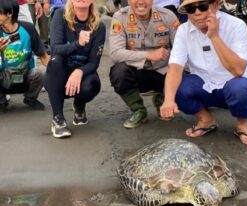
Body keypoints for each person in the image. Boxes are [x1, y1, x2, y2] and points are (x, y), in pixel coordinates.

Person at [160, 0, 247, 145]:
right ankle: (205, 119)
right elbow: (175, 67)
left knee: (242, 88)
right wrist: (168, 100)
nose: (197, 12)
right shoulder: (183, 30)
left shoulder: (236, 25)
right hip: (204, 85)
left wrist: (214, 36)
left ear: (216, 5)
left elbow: (238, 70)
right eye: (190, 9)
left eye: (203, 6)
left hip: (233, 84)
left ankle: (242, 124)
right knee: (172, 90)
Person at [109, 0, 179, 128]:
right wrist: (148, 55)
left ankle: (162, 98)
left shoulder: (168, 15)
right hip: (138, 72)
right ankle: (138, 110)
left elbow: (181, 49)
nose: (140, 2)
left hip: (165, 72)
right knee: (118, 72)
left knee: (182, 71)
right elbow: (115, 53)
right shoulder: (120, 17)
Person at [44, 0, 106, 138]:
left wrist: (79, 71)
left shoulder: (99, 26)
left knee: (92, 85)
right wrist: (77, 43)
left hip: (81, 74)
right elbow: (55, 49)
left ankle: (79, 104)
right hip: (59, 75)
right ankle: (58, 118)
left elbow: (94, 62)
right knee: (56, 61)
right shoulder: (60, 16)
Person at [0, 0, 49, 111]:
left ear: (9, 13)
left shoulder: (28, 28)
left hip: (25, 76)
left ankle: (30, 98)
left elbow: (43, 55)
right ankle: (1, 101)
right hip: (3, 79)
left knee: (42, 71)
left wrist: (57, 76)